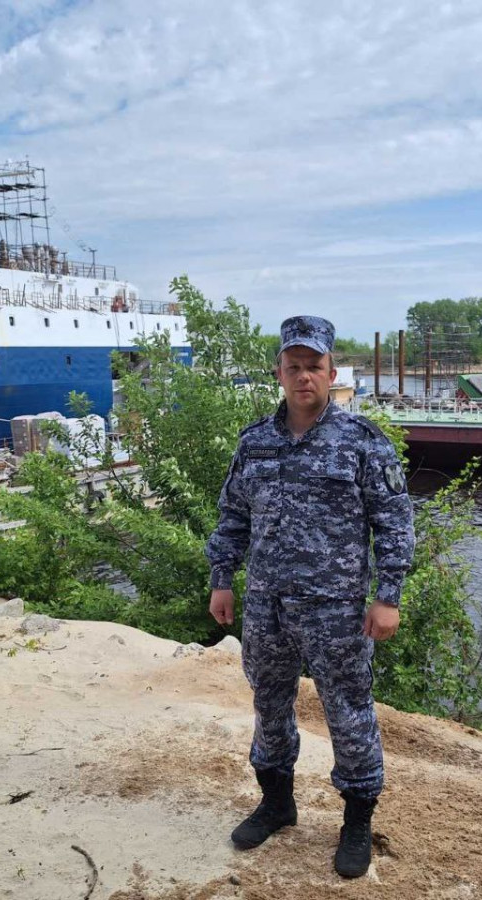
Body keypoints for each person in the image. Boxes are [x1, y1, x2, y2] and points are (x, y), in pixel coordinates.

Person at [205, 315, 415, 878]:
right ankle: (277, 803)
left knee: (348, 715)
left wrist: (387, 595)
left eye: (314, 366)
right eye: (293, 366)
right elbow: (232, 517)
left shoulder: (362, 442)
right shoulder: (255, 443)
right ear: (279, 372)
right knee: (269, 708)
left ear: (330, 371)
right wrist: (221, 579)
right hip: (267, 608)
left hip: (337, 611)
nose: (304, 376)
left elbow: (394, 523)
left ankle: (356, 821)